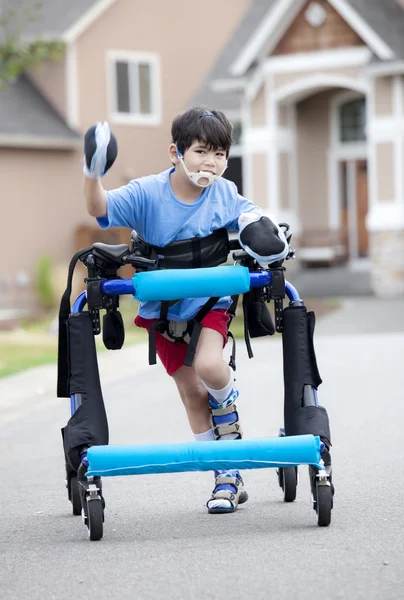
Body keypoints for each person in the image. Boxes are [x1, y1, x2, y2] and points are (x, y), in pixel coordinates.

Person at [83, 106, 289, 514]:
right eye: (200, 152)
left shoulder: (225, 194)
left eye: (219, 155)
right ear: (175, 153)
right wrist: (93, 174)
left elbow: (255, 220)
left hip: (211, 301)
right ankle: (223, 474)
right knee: (192, 393)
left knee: (211, 367)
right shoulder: (146, 194)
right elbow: (100, 209)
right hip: (163, 310)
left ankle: (228, 431)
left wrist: (266, 235)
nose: (210, 163)